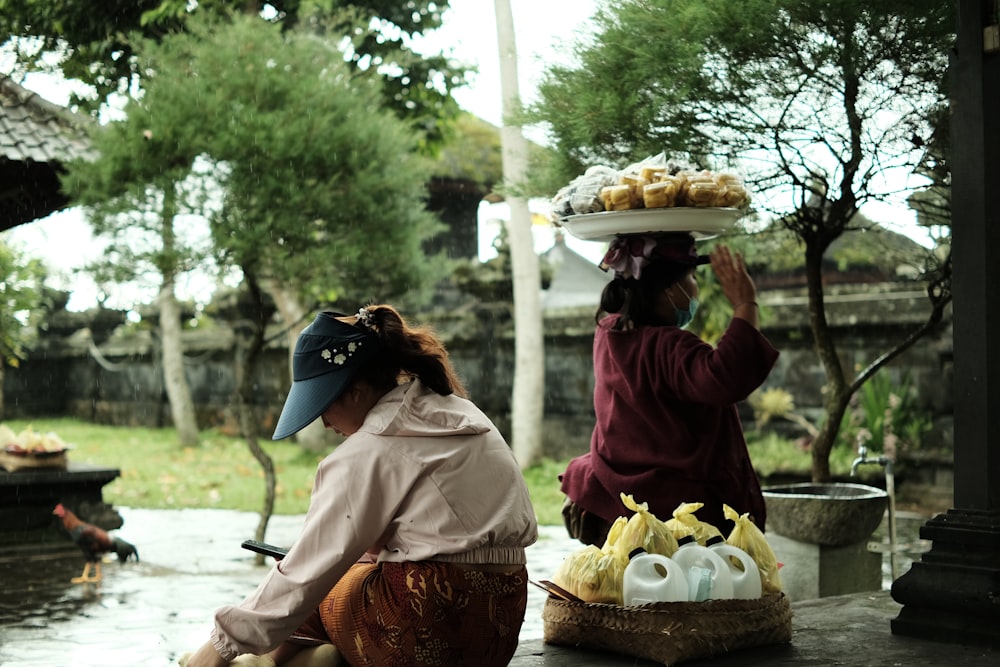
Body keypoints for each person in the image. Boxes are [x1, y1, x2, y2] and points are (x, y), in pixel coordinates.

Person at [183, 305, 538, 667]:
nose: (322, 422)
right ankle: (287, 658)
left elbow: (307, 575)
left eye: (322, 406)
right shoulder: (459, 411)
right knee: (335, 574)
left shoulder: (371, 448)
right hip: (498, 629)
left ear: (354, 390)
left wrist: (219, 644)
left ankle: (264, 661)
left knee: (314, 581)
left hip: (426, 634)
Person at [559, 234, 778, 547]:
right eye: (689, 277)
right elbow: (726, 377)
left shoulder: (608, 332)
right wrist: (745, 304)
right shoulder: (669, 346)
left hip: (617, 490)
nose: (695, 288)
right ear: (668, 289)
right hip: (672, 508)